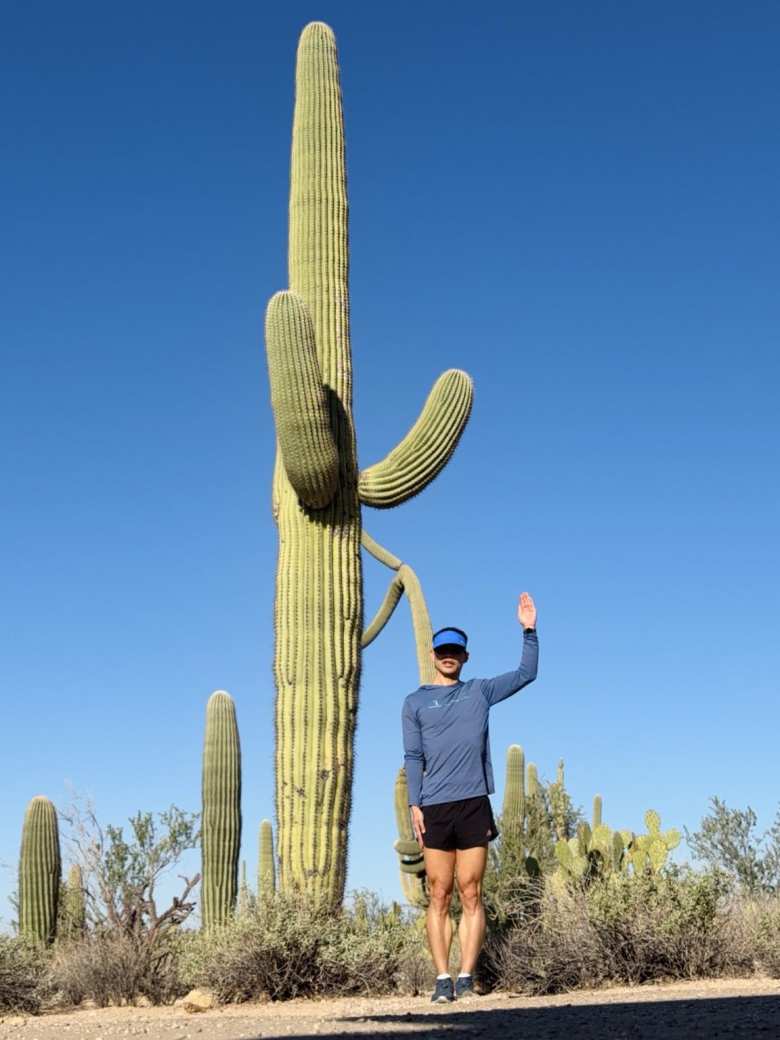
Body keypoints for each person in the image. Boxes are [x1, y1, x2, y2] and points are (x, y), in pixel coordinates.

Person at [401, 592, 538, 1002]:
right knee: (439, 892)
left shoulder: (479, 692)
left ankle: (466, 975)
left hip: (473, 801)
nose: (448, 656)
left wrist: (528, 630)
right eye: (443, 650)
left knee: (471, 891)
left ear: (464, 657)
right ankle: (442, 978)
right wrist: (414, 803)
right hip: (435, 806)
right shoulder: (415, 702)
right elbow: (412, 755)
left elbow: (525, 674)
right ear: (433, 654)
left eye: (455, 651)